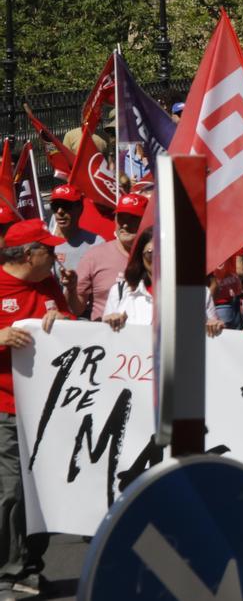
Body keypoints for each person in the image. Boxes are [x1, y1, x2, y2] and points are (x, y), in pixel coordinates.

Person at [0, 220, 73, 597]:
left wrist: (64, 321)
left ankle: (30, 567)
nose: (55, 255)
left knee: (45, 491)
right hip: (6, 406)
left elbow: (71, 325)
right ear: (29, 255)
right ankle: (6, 572)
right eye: (48, 249)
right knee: (11, 491)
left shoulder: (48, 284)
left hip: (47, 408)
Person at [75, 192, 147, 320]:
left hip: (145, 336)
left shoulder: (157, 257)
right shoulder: (94, 256)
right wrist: (70, 289)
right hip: (104, 337)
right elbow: (75, 307)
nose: (124, 224)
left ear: (145, 220)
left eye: (132, 218)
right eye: (121, 218)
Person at [47, 184, 100, 273]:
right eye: (55, 206)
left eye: (66, 205)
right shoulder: (44, 244)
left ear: (80, 208)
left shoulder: (96, 243)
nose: (60, 211)